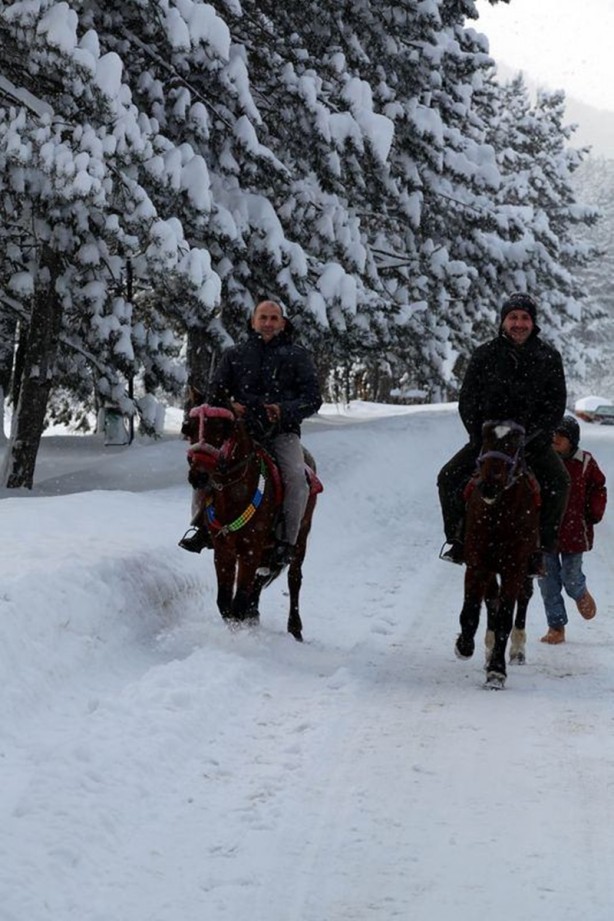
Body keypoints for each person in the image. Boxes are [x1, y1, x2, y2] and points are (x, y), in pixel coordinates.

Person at [179, 299, 322, 567]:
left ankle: (286, 543)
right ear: (253, 321)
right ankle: (201, 526)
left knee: (296, 478)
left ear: (283, 322)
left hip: (282, 433)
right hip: (240, 433)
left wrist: (282, 410)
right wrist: (230, 406)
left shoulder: (297, 355)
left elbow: (313, 399)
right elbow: (214, 393)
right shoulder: (234, 355)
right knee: (205, 464)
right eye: (263, 318)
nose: (268, 323)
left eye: (273, 318)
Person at [437, 292, 570, 575]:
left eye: (524, 318)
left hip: (531, 442)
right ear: (503, 321)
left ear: (533, 323)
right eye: (513, 317)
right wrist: (480, 436)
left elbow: (556, 404)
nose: (519, 323)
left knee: (560, 481)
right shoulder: (485, 354)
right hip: (489, 442)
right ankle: (458, 539)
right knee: (448, 477)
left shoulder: (549, 357)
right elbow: (468, 400)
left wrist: (533, 437)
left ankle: (541, 547)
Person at [538, 415, 607, 644]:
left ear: (573, 440)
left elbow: (599, 487)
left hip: (574, 531)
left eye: (562, 435)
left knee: (570, 576)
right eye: (553, 434)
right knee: (547, 582)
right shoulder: (543, 460)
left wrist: (593, 513)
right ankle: (556, 627)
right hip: (546, 531)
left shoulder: (585, 462)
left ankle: (579, 592)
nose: (555, 439)